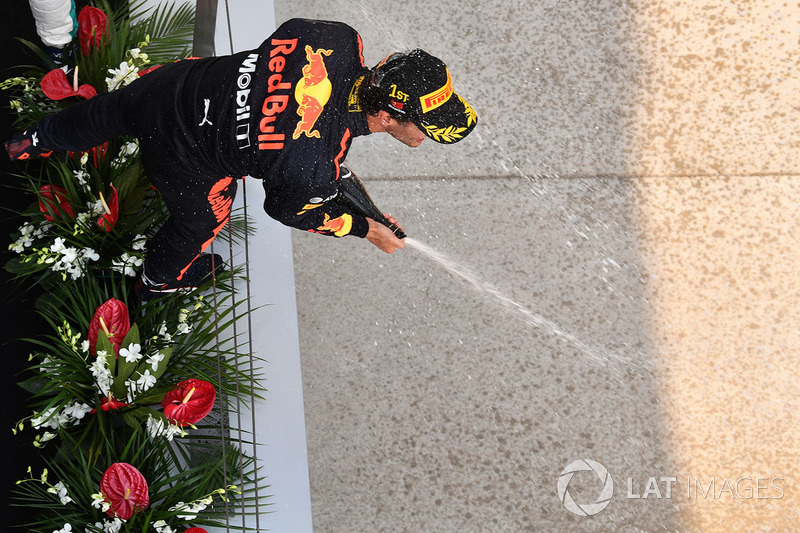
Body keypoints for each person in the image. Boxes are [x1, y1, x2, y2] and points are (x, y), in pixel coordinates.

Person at [5, 18, 478, 298]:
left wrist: (369, 212)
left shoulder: (336, 39)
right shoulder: (312, 162)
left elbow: (325, 171)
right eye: (425, 127)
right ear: (391, 115)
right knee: (201, 221)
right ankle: (157, 280)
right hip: (183, 155)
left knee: (110, 110)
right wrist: (364, 228)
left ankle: (33, 139)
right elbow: (290, 207)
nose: (425, 137)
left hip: (173, 86)